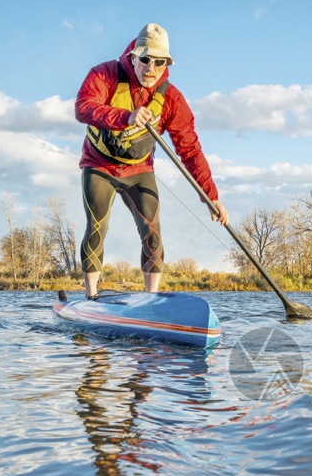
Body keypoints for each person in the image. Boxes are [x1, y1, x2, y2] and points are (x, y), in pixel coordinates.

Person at [74, 23, 228, 298]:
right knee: (98, 225)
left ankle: (152, 300)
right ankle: (91, 296)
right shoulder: (104, 73)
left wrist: (211, 196)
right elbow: (84, 108)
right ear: (133, 56)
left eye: (159, 62)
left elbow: (190, 149)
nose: (151, 68)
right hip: (99, 165)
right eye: (145, 59)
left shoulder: (171, 98)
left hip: (139, 169)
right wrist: (126, 117)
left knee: (152, 230)